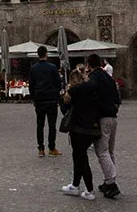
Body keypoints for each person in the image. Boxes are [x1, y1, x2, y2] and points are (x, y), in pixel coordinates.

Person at [60, 68, 102, 201]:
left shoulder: (74, 91)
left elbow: (65, 109)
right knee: (78, 156)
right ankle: (75, 185)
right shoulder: (93, 89)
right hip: (92, 128)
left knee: (82, 158)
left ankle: (89, 190)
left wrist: (64, 96)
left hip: (79, 129)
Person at [87, 53, 122, 199]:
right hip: (113, 116)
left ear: (89, 65)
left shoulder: (94, 78)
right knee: (109, 151)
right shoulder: (108, 76)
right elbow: (117, 97)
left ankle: (112, 183)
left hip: (103, 118)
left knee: (101, 151)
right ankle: (108, 181)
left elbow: (91, 96)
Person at [30, 46, 63, 157]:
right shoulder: (53, 67)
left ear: (38, 54)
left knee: (40, 125)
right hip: (51, 100)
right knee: (52, 125)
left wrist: (34, 98)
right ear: (46, 54)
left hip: (39, 100)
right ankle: (52, 148)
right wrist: (57, 96)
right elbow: (58, 83)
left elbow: (31, 85)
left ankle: (41, 149)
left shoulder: (33, 68)